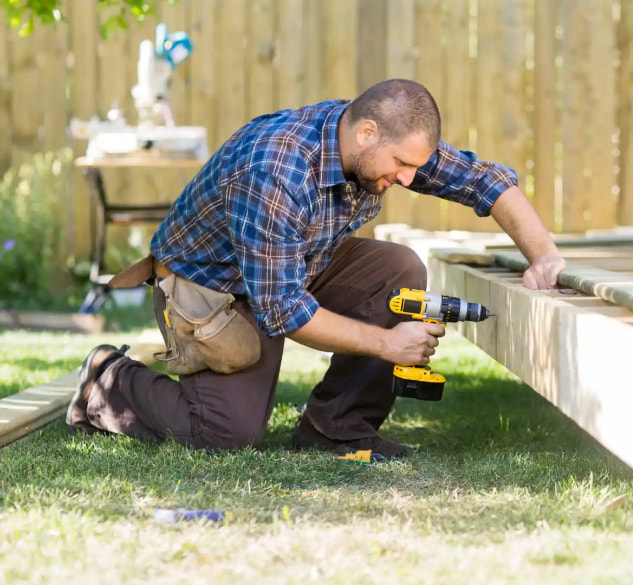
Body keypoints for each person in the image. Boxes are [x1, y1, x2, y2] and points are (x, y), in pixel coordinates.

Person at [66, 79, 566, 460]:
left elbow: (484, 181)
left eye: (416, 166)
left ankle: (335, 427)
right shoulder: (276, 169)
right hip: (210, 285)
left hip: (294, 264)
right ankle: (107, 380)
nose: (410, 178)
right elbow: (282, 309)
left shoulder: (377, 144)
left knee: (399, 269)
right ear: (367, 133)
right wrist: (388, 345)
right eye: (401, 164)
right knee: (225, 434)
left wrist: (543, 254)